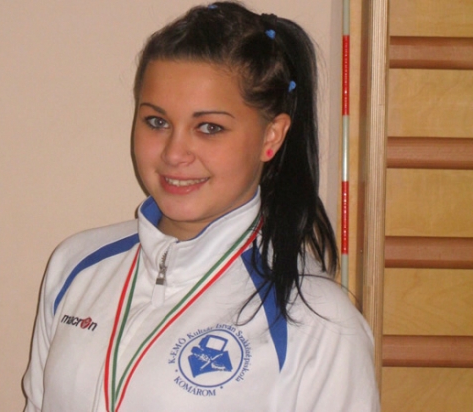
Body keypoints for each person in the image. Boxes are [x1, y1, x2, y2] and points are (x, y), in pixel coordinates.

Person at [22, 2, 380, 411]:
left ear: (272, 136)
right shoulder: (77, 266)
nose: (174, 154)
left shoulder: (319, 320)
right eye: (157, 122)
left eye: (209, 128)